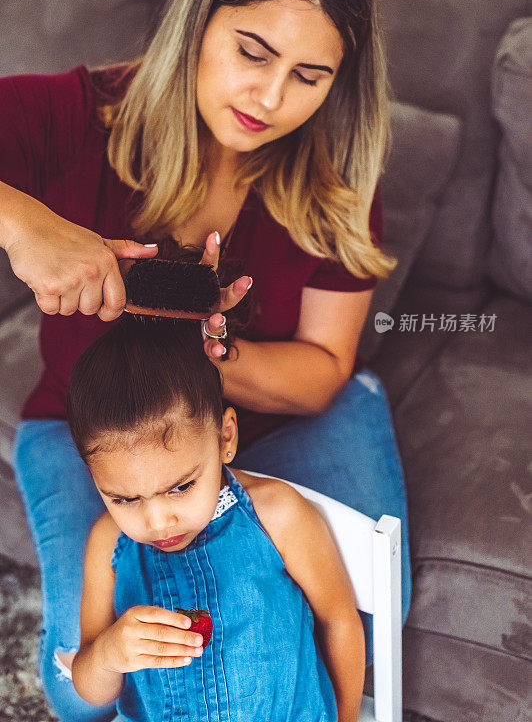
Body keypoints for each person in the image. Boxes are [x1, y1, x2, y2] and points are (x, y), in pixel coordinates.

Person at [0, 0, 411, 718]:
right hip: (98, 427)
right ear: (199, 18)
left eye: (309, 75)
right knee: (80, 691)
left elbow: (322, 364)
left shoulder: (336, 179)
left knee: (362, 617)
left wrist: (217, 357)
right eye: (253, 52)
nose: (269, 98)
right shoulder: (78, 116)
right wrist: (23, 225)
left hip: (271, 415)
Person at [65, 308, 365, 722]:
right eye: (124, 499)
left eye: (181, 487)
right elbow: (90, 687)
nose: (156, 522)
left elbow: (339, 621)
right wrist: (108, 654)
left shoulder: (276, 515)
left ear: (225, 437)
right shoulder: (107, 544)